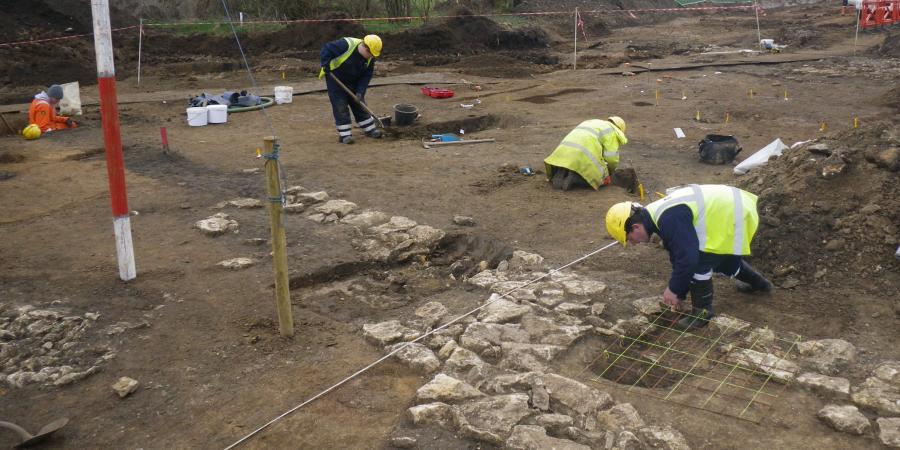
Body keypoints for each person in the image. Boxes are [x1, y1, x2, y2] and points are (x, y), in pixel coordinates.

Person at [604, 184, 773, 329]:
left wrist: (674, 289)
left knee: (700, 261)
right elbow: (676, 254)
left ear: (635, 227)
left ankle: (702, 312)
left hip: (735, 213)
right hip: (734, 208)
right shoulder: (658, 216)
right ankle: (760, 284)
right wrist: (680, 293)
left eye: (629, 239)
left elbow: (687, 259)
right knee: (722, 259)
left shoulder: (668, 218)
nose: (633, 243)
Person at [319, 35, 383, 144]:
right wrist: (325, 64)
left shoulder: (370, 59)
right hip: (335, 79)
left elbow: (366, 76)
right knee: (340, 105)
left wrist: (360, 92)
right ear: (364, 47)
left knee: (359, 103)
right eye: (370, 54)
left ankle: (369, 129)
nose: (371, 57)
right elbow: (326, 48)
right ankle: (345, 135)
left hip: (354, 80)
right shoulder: (346, 44)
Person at [544, 116, 627, 191]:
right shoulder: (612, 132)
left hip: (564, 150)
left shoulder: (595, 122)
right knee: (601, 178)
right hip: (582, 153)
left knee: (576, 159)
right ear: (620, 130)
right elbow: (611, 158)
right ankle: (576, 178)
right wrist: (609, 172)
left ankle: (562, 170)